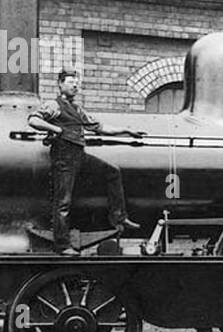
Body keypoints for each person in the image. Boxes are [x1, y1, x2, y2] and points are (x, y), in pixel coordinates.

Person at [27, 71, 145, 255]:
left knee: (112, 171)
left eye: (77, 83)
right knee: (63, 201)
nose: (75, 86)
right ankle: (63, 245)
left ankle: (119, 218)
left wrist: (127, 131)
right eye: (71, 82)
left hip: (79, 154)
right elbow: (33, 120)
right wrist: (55, 128)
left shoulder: (77, 109)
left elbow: (101, 128)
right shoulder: (53, 105)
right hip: (64, 156)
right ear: (60, 84)